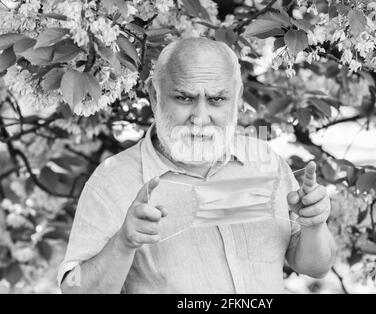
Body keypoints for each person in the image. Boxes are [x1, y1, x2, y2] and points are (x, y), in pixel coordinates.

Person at [58, 37, 336, 293]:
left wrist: (314, 225)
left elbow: (314, 266)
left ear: (237, 98)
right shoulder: (114, 181)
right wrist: (123, 244)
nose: (200, 117)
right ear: (154, 96)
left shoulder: (263, 160)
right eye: (184, 98)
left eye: (217, 99)